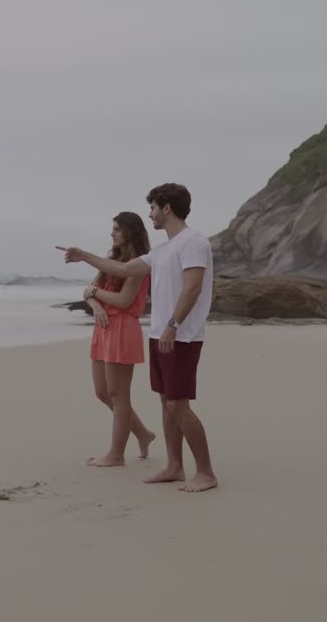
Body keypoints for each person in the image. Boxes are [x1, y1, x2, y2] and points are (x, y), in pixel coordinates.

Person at [57, 183, 218, 492]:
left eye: (154, 208)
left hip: (181, 335)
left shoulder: (194, 242)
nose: (151, 214)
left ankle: (206, 473)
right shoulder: (161, 250)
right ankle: (174, 465)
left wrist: (173, 324)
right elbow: (119, 268)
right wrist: (83, 256)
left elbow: (193, 287)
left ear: (167, 208)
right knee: (166, 403)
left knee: (178, 405)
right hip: (159, 334)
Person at [82, 211, 156, 467]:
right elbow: (87, 291)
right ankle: (143, 434)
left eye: (116, 229)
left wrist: (95, 293)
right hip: (103, 327)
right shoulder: (111, 259)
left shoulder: (139, 264)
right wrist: (96, 305)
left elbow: (124, 301)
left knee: (118, 394)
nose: (112, 233)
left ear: (130, 232)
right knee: (102, 392)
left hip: (123, 328)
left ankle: (116, 454)